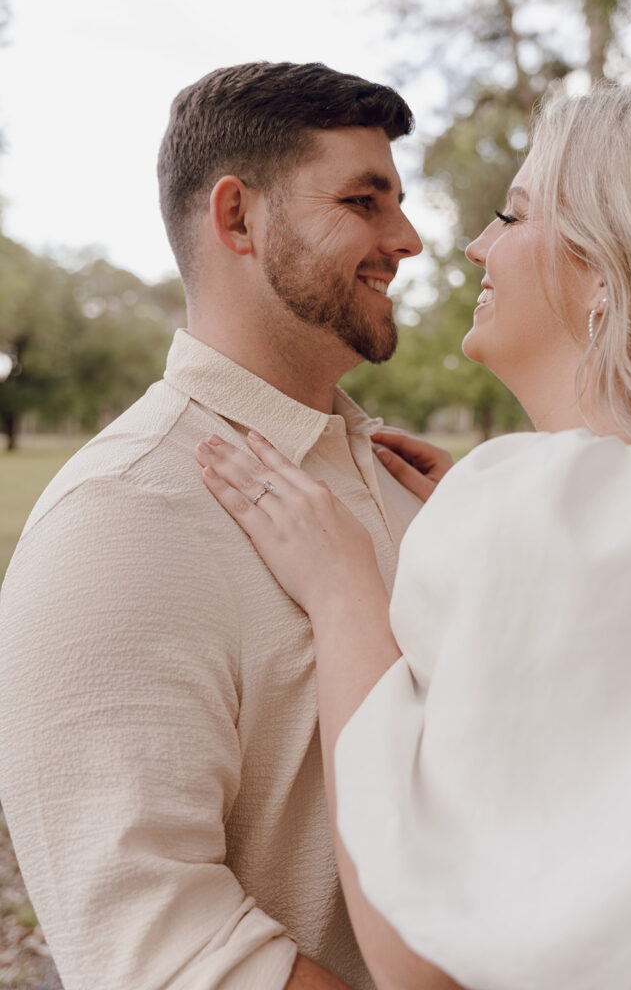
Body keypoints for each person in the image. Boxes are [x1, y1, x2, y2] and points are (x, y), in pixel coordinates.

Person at [194, 79, 631, 990]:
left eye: (514, 212)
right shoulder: (587, 521)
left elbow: (420, 961)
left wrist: (343, 597)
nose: (470, 242)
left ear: (607, 268)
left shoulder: (530, 511)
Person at [0, 61, 424, 990]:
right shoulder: (119, 517)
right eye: (365, 200)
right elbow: (163, 952)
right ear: (237, 217)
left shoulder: (406, 479)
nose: (410, 239)